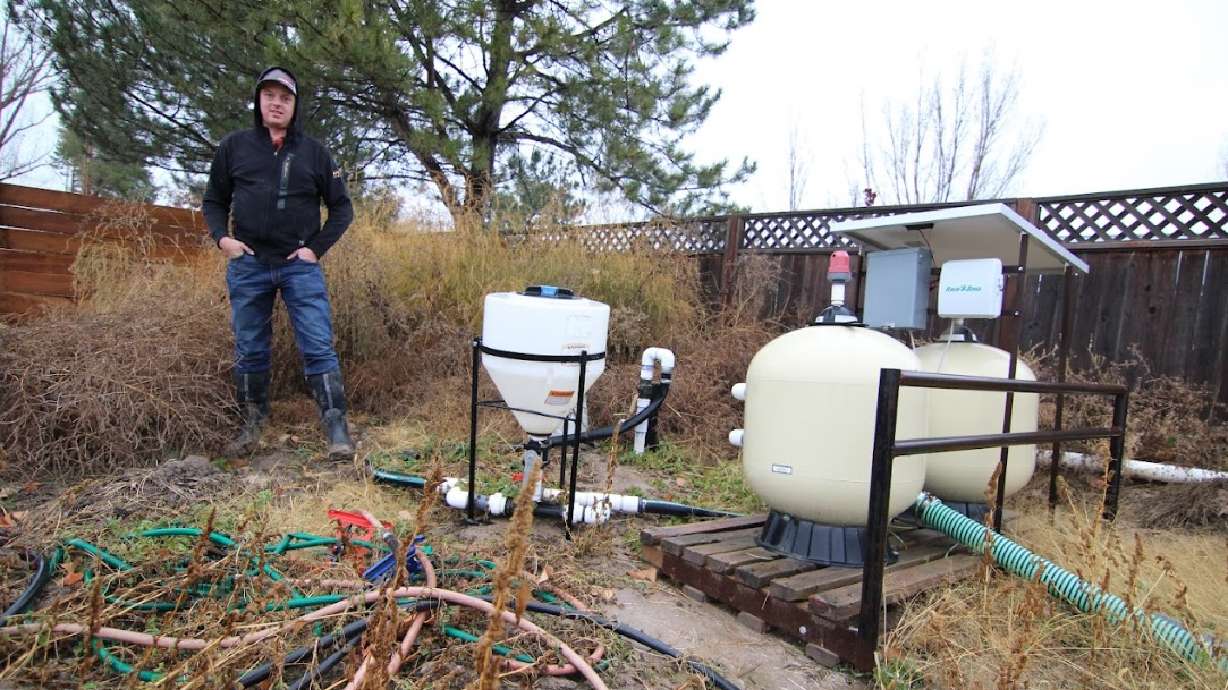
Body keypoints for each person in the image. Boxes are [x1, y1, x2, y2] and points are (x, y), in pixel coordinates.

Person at [202, 66, 356, 461]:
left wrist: (314, 250)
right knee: (250, 348)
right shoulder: (234, 147)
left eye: (284, 97)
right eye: (269, 95)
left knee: (318, 345)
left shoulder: (315, 153)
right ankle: (252, 424)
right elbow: (214, 200)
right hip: (249, 264)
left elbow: (341, 208)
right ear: (258, 101)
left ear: (294, 105)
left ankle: (337, 429)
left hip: (297, 265)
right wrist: (223, 239)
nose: (276, 103)